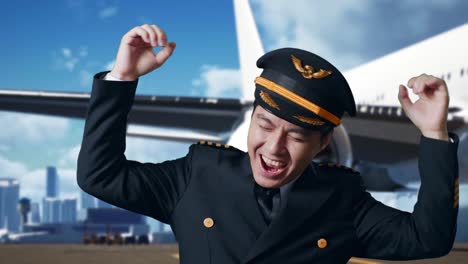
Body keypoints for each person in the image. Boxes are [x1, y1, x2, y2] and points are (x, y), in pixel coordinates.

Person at [77, 24, 459, 263]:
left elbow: (428, 239)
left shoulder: (343, 199)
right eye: (264, 124)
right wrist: (122, 78)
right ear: (251, 119)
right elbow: (100, 176)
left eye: (296, 135)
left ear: (324, 142)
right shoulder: (199, 174)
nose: (274, 148)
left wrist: (434, 136)